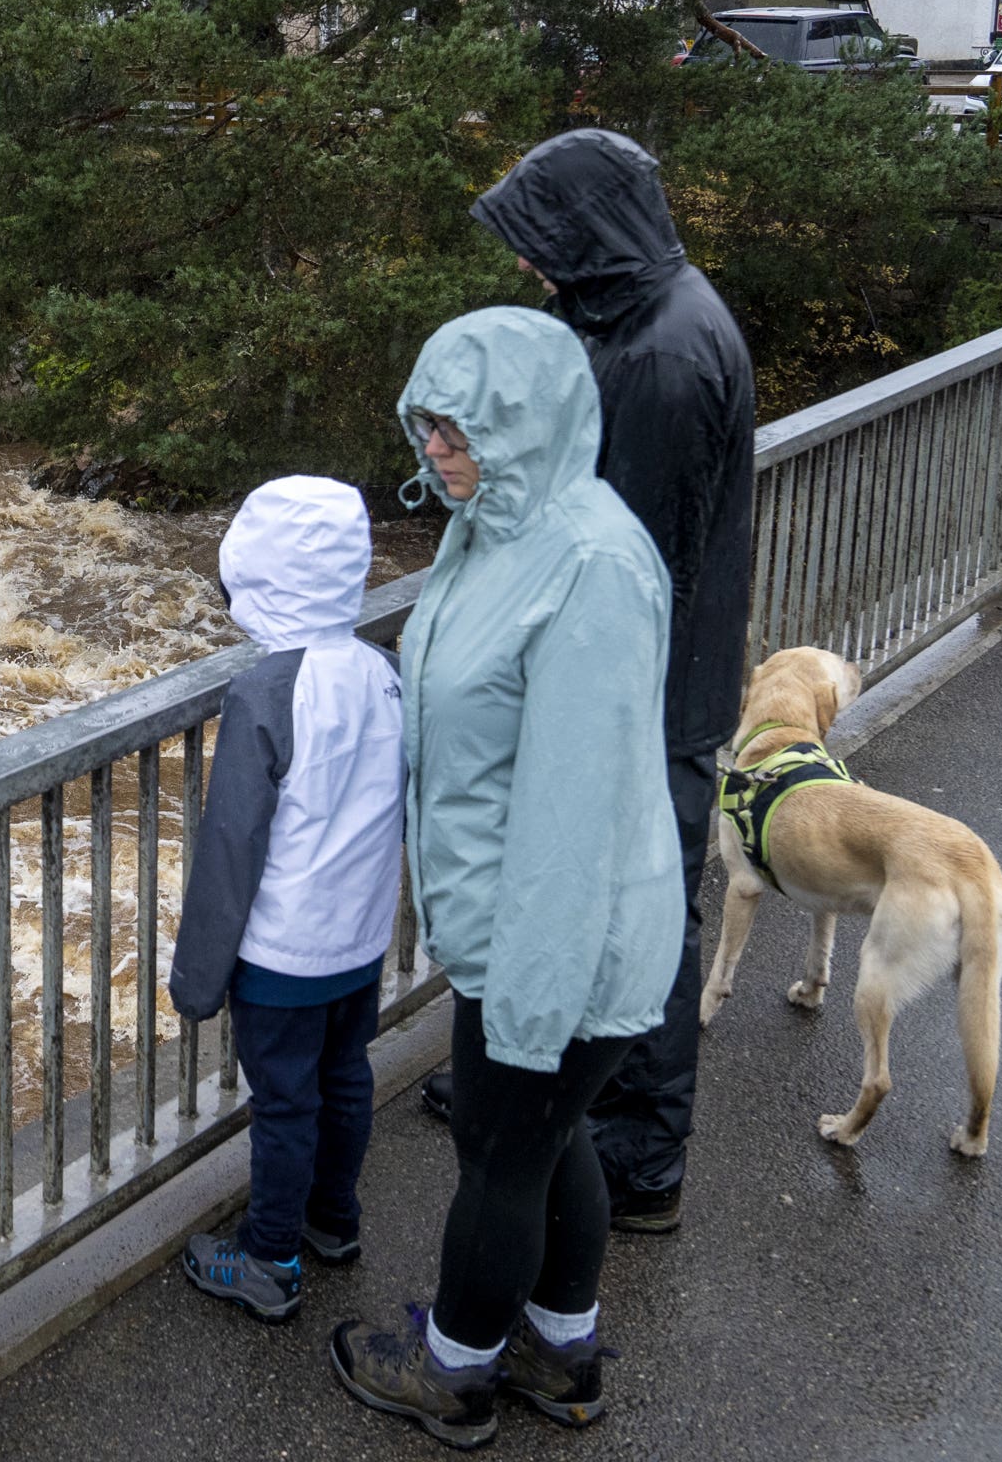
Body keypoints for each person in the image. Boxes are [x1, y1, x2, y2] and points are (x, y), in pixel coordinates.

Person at [331, 308, 683, 1447]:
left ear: (524, 424)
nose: (436, 454)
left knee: (500, 1149)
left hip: (560, 935)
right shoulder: (497, 525)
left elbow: (574, 809)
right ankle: (561, 1348)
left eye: (457, 432)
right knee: (549, 1137)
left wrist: (529, 999)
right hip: (520, 925)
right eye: (427, 428)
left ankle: (454, 1369)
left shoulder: (589, 563)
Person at [415, 127, 754, 1237]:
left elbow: (632, 566)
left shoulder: (661, 353)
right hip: (653, 683)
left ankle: (635, 1150)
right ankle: (545, 1096)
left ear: (588, 234)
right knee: (591, 889)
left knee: (636, 901)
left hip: (648, 699)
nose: (526, 265)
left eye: (539, 240)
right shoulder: (629, 315)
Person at [166, 475, 407, 1323]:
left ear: (259, 573)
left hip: (282, 954)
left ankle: (269, 1259)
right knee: (345, 1078)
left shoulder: (264, 693)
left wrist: (197, 979)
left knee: (284, 1105)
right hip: (361, 939)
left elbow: (232, 846)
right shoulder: (385, 672)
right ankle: (334, 1220)